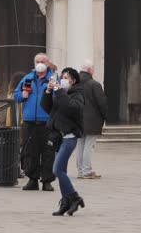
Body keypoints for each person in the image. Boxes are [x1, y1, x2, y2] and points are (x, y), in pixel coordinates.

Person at [40, 67, 85, 216]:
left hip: (69, 137)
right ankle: (65, 201)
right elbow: (47, 108)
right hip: (59, 138)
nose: (63, 79)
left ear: (73, 80)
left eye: (66, 77)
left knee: (57, 170)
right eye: (62, 77)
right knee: (62, 171)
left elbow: (71, 108)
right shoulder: (61, 95)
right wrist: (48, 91)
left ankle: (74, 197)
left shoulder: (77, 94)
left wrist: (59, 91)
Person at [14, 53, 55, 191]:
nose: (40, 63)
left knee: (48, 152)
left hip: (47, 122)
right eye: (37, 61)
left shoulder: (53, 79)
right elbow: (16, 95)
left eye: (42, 61)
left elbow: (60, 97)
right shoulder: (28, 78)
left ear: (48, 63)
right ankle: (32, 179)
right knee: (30, 152)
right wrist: (22, 95)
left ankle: (47, 181)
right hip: (30, 122)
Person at [76, 60, 107, 179]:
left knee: (80, 145)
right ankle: (87, 171)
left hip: (78, 119)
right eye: (93, 69)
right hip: (92, 120)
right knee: (89, 146)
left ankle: (80, 171)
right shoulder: (94, 84)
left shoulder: (74, 84)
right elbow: (102, 103)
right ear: (89, 70)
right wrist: (104, 116)